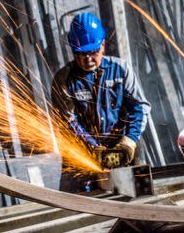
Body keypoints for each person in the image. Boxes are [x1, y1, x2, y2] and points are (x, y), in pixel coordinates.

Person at [52, 12, 151, 190]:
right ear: (73, 50)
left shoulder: (121, 70)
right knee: (77, 207)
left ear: (103, 45)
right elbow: (68, 121)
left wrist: (129, 140)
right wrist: (92, 147)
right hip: (82, 152)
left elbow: (139, 108)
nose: (88, 58)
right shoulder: (63, 79)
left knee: (139, 195)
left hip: (122, 148)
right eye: (81, 53)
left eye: (93, 52)